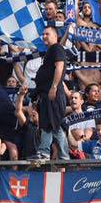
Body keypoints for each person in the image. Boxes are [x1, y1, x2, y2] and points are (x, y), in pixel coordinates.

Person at [33, 26, 67, 160]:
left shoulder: (57, 48)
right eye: (43, 34)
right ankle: (59, 155)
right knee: (52, 124)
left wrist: (54, 87)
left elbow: (60, 67)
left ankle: (45, 152)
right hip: (46, 94)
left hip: (53, 94)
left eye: (47, 33)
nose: (44, 36)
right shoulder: (50, 51)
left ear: (55, 36)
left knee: (52, 124)